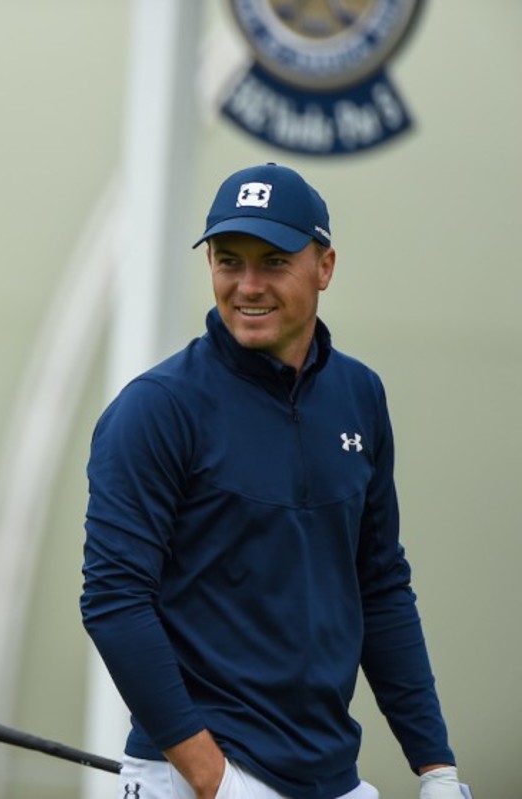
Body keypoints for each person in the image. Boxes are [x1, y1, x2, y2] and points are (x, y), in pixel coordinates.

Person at [80, 164, 467, 799]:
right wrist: (214, 781)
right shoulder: (156, 409)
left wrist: (436, 766)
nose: (247, 285)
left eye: (274, 261)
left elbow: (379, 583)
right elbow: (114, 602)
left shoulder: (359, 396)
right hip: (197, 775)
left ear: (325, 266)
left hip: (329, 774)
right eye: (229, 261)